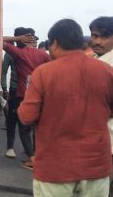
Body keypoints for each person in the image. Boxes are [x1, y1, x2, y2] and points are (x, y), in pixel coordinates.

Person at [18, 19, 113, 197]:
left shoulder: (43, 73)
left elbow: (26, 116)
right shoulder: (106, 71)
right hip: (96, 166)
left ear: (54, 43)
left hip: (56, 167)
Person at [3, 27, 50, 170]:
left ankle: (32, 159)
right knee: (38, 127)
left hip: (23, 95)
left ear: (23, 40)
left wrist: (16, 39)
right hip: (41, 95)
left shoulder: (19, 54)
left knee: (23, 128)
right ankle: (39, 155)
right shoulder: (43, 55)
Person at [1, 42, 18, 158]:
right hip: (14, 90)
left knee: (28, 124)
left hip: (31, 90)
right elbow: (4, 72)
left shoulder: (36, 54)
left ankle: (32, 151)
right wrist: (4, 88)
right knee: (12, 120)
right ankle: (10, 147)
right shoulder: (10, 54)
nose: (32, 41)